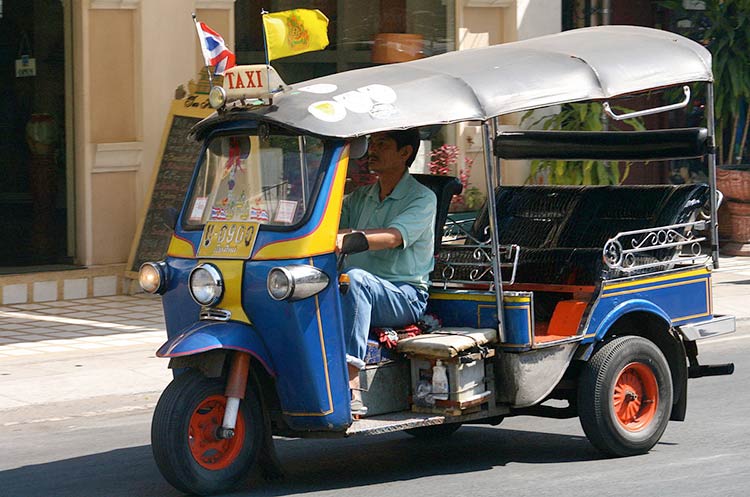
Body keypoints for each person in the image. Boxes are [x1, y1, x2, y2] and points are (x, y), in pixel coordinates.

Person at [337, 129, 437, 414]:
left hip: (404, 295)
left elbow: (393, 237)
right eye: (372, 143)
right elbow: (330, 226)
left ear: (405, 153)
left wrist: (347, 238)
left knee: (355, 280)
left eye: (382, 144)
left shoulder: (422, 198)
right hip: (356, 289)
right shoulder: (362, 196)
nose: (373, 149)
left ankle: (352, 384)